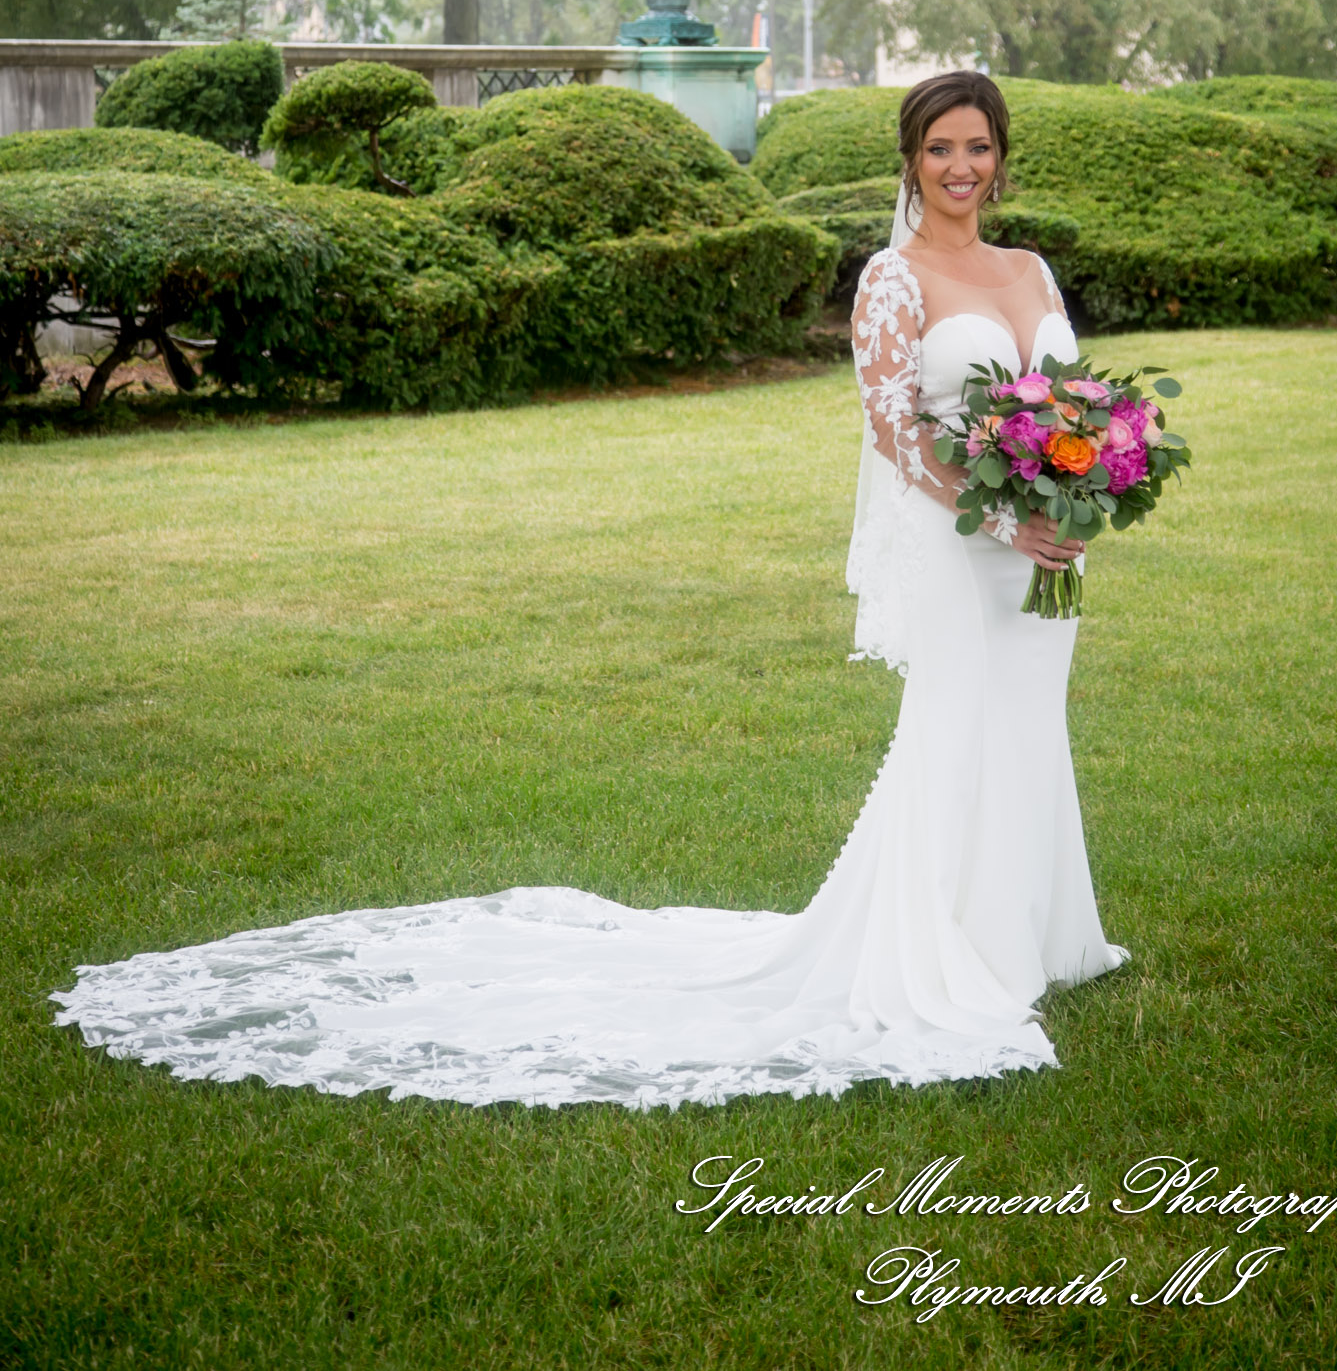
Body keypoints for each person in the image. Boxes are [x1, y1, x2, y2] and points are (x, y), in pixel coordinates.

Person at [53, 70, 1126, 1110]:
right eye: (940, 147)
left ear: (1000, 157)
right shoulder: (892, 282)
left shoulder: (1030, 269)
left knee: (1028, 722)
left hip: (1043, 550)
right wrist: (1002, 515)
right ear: (909, 159)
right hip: (966, 543)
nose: (960, 166)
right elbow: (896, 435)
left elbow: (1071, 400)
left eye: (977, 146)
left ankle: (1029, 934)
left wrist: (1081, 487)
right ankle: (941, 954)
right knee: (956, 727)